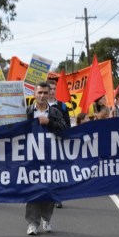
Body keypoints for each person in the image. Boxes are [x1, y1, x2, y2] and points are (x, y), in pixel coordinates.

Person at [25, 81, 68, 235]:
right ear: (35, 94)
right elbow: (13, 129)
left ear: (50, 94)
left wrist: (49, 122)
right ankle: (32, 223)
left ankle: (46, 218)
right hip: (32, 157)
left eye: (45, 93)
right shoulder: (27, 111)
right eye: (39, 93)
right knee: (33, 189)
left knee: (49, 189)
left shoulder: (55, 112)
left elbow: (65, 129)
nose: (42, 96)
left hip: (51, 157)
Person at [46, 79, 71, 208]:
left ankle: (57, 197)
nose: (52, 92)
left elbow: (67, 126)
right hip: (42, 144)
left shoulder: (62, 106)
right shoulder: (39, 106)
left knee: (56, 170)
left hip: (57, 143)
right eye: (49, 89)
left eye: (54, 89)